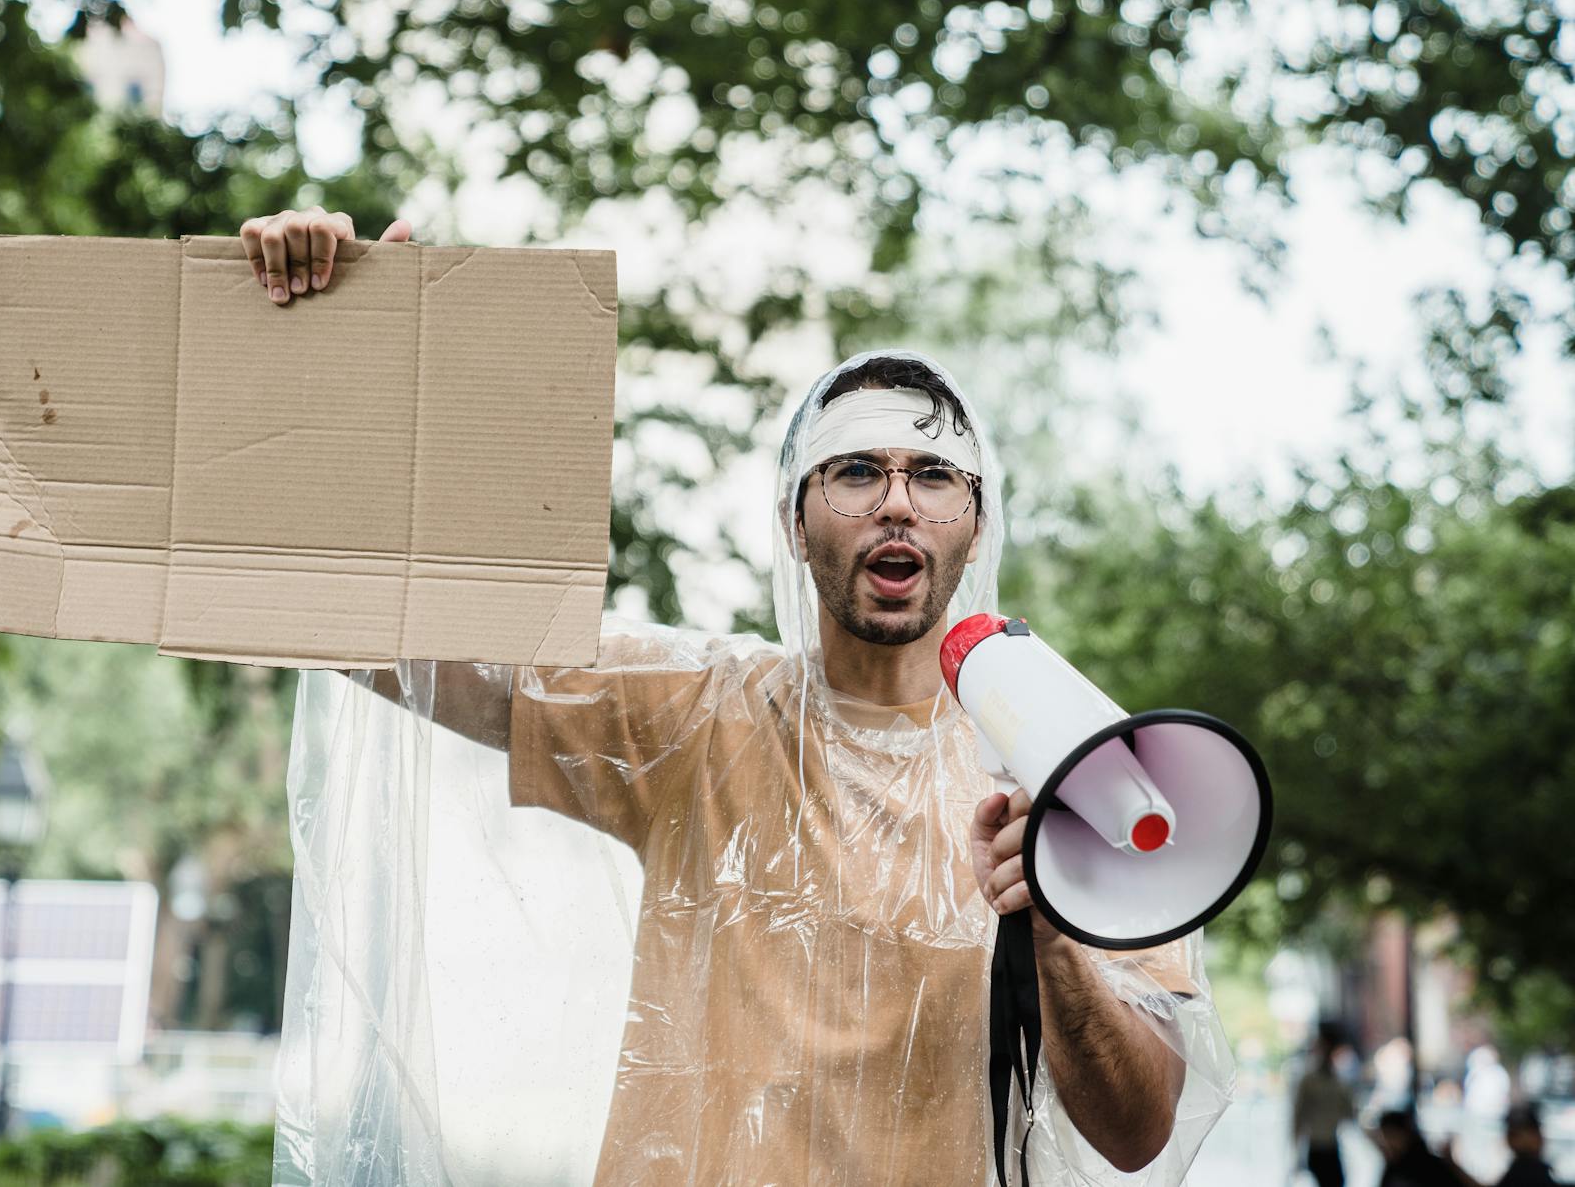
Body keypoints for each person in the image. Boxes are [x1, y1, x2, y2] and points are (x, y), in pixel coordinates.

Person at [248, 208, 1237, 1186]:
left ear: (974, 524)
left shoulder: (1084, 769)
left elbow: (1140, 1128)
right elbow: (375, 634)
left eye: (935, 474)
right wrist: (342, 349)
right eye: (855, 469)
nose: (897, 500)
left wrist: (1057, 917)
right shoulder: (692, 716)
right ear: (795, 521)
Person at [1295, 1024, 1358, 1186]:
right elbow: (1298, 1116)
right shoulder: (1310, 1081)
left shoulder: (1339, 1080)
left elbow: (1349, 1113)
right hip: (1318, 1145)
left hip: (1330, 1144)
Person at [1376, 1109, 1478, 1187]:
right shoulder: (1393, 1169)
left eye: (1390, 1136)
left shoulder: (1428, 1166)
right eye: (1385, 1138)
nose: (1386, 1144)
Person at [1495, 1105, 1562, 1187]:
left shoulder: (1515, 1175)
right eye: (1514, 1134)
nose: (1521, 1140)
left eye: (1528, 1133)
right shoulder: (1532, 1175)